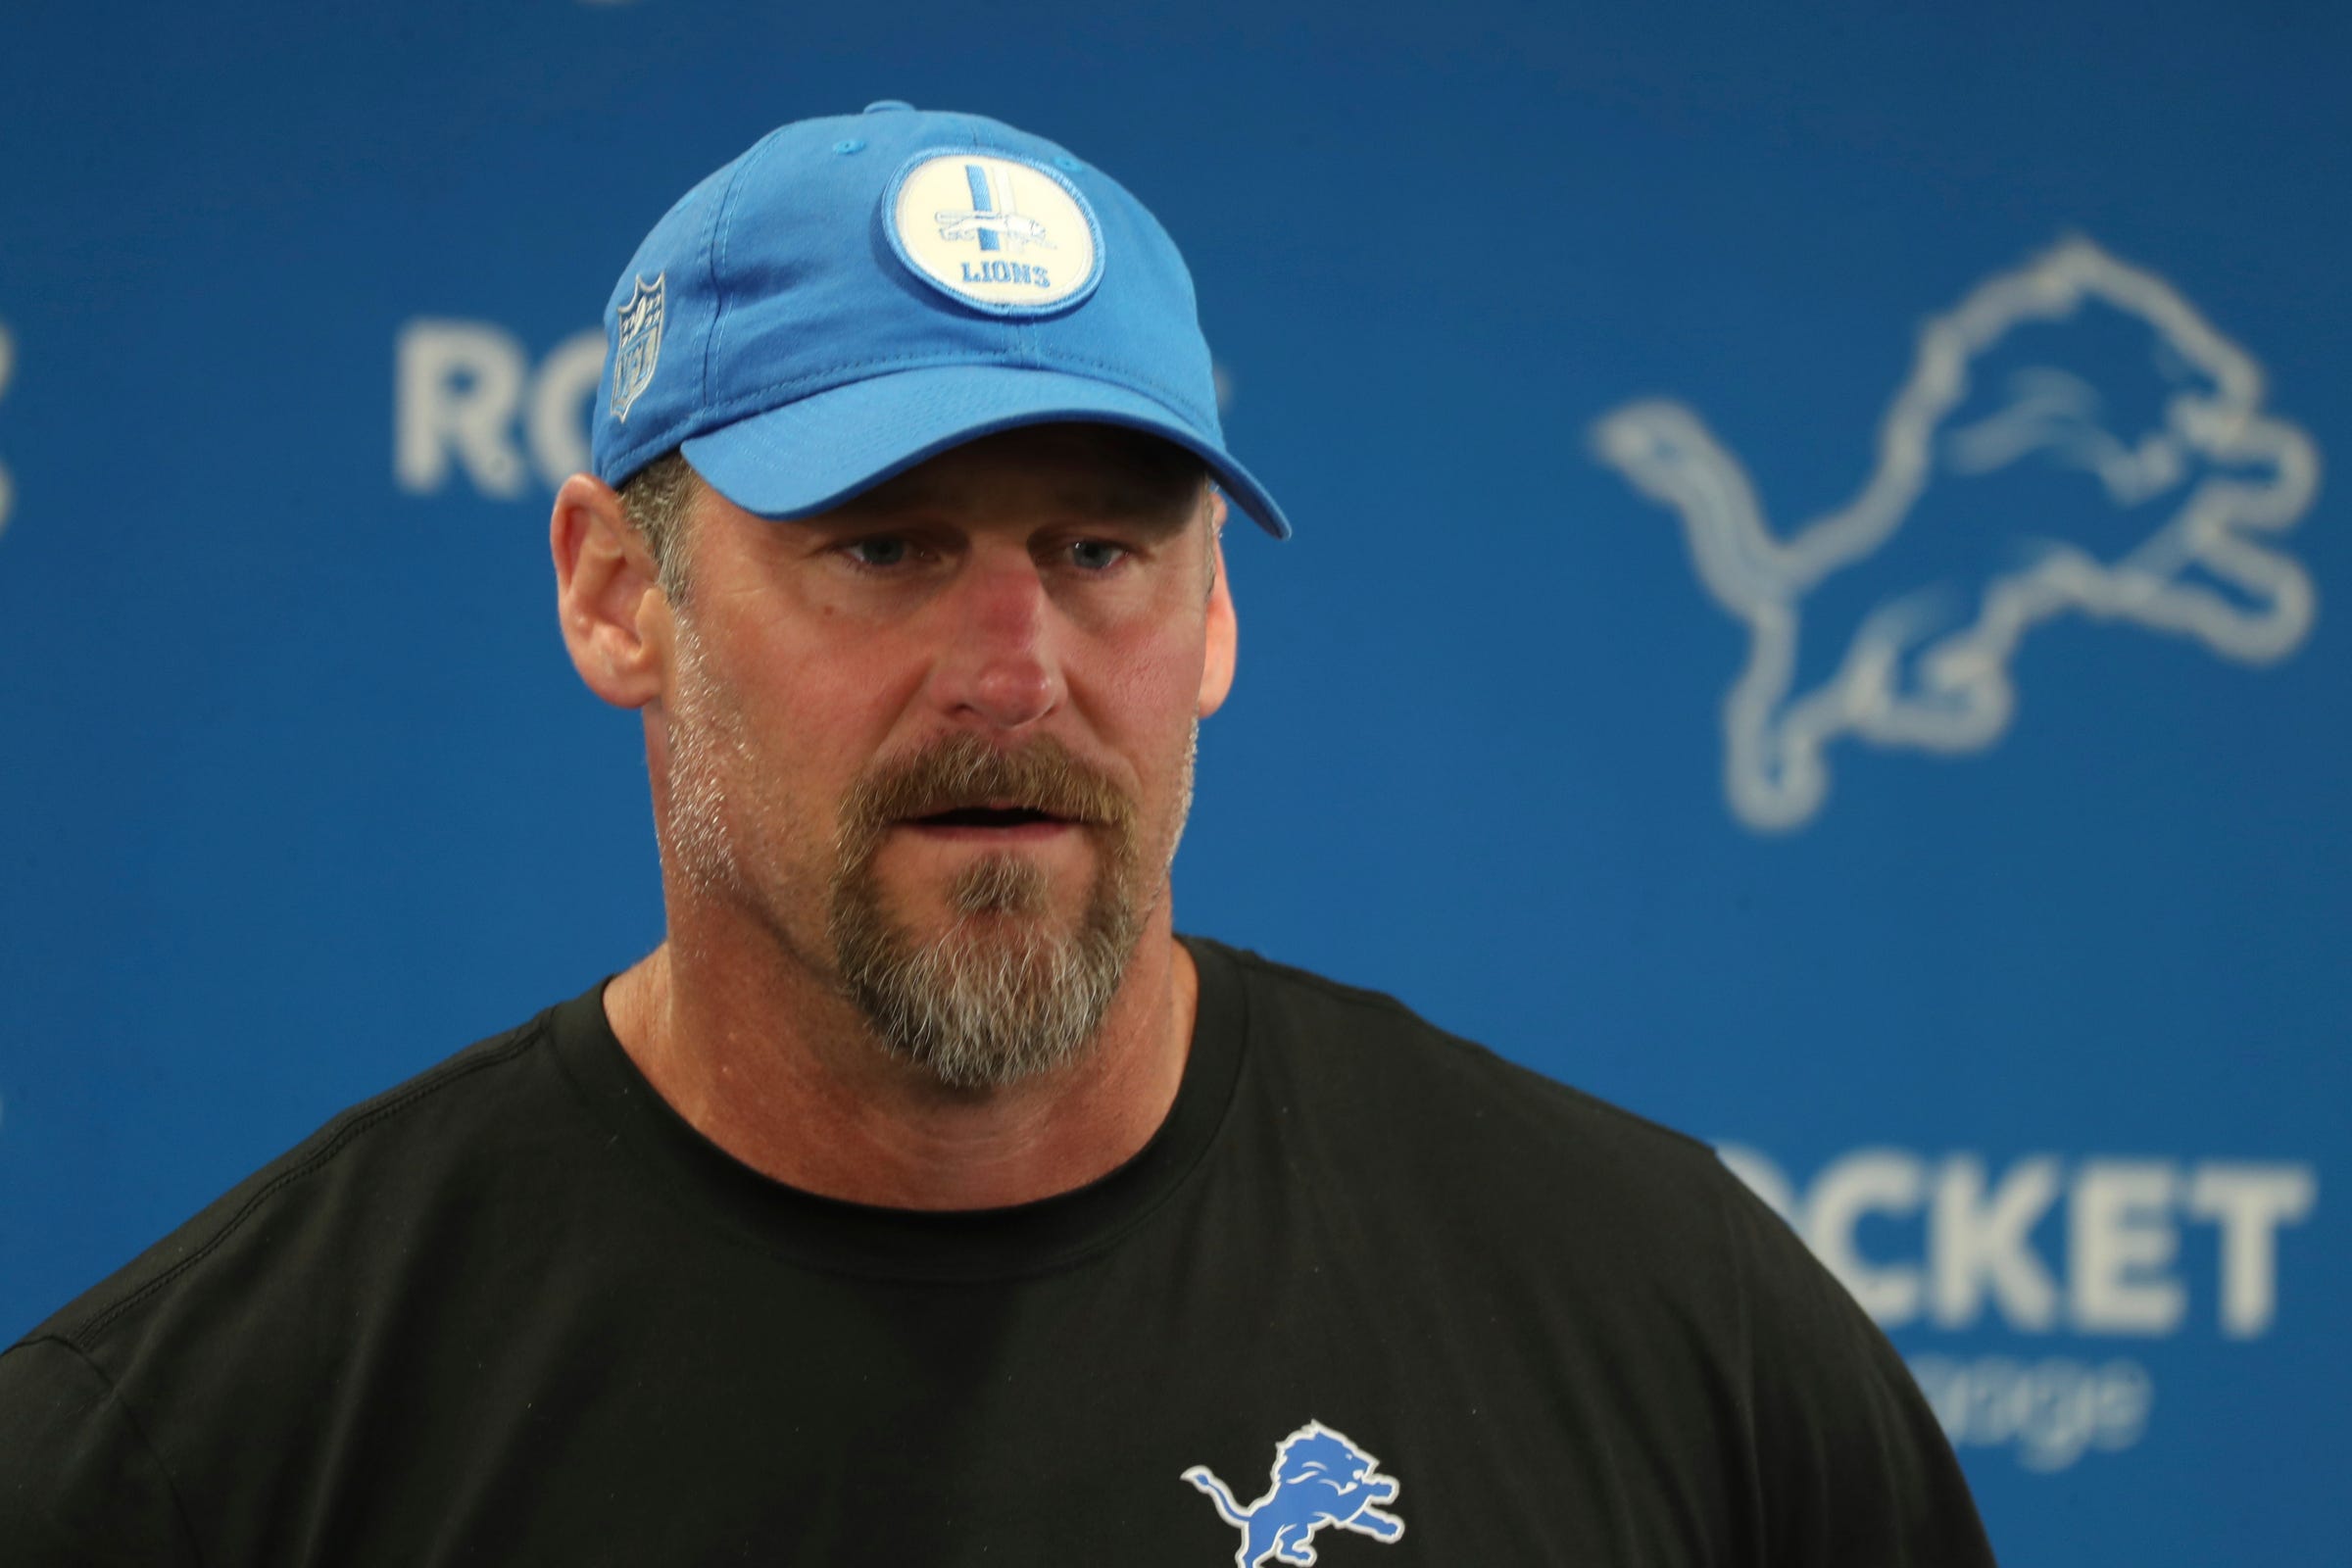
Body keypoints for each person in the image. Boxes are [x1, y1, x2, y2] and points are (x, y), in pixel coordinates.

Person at [0, 104, 1995, 1564]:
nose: (1015, 669)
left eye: (1100, 548)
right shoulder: (210, 1449)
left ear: (1214, 616)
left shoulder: (1674, 1330)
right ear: (618, 593)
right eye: (884, 544)